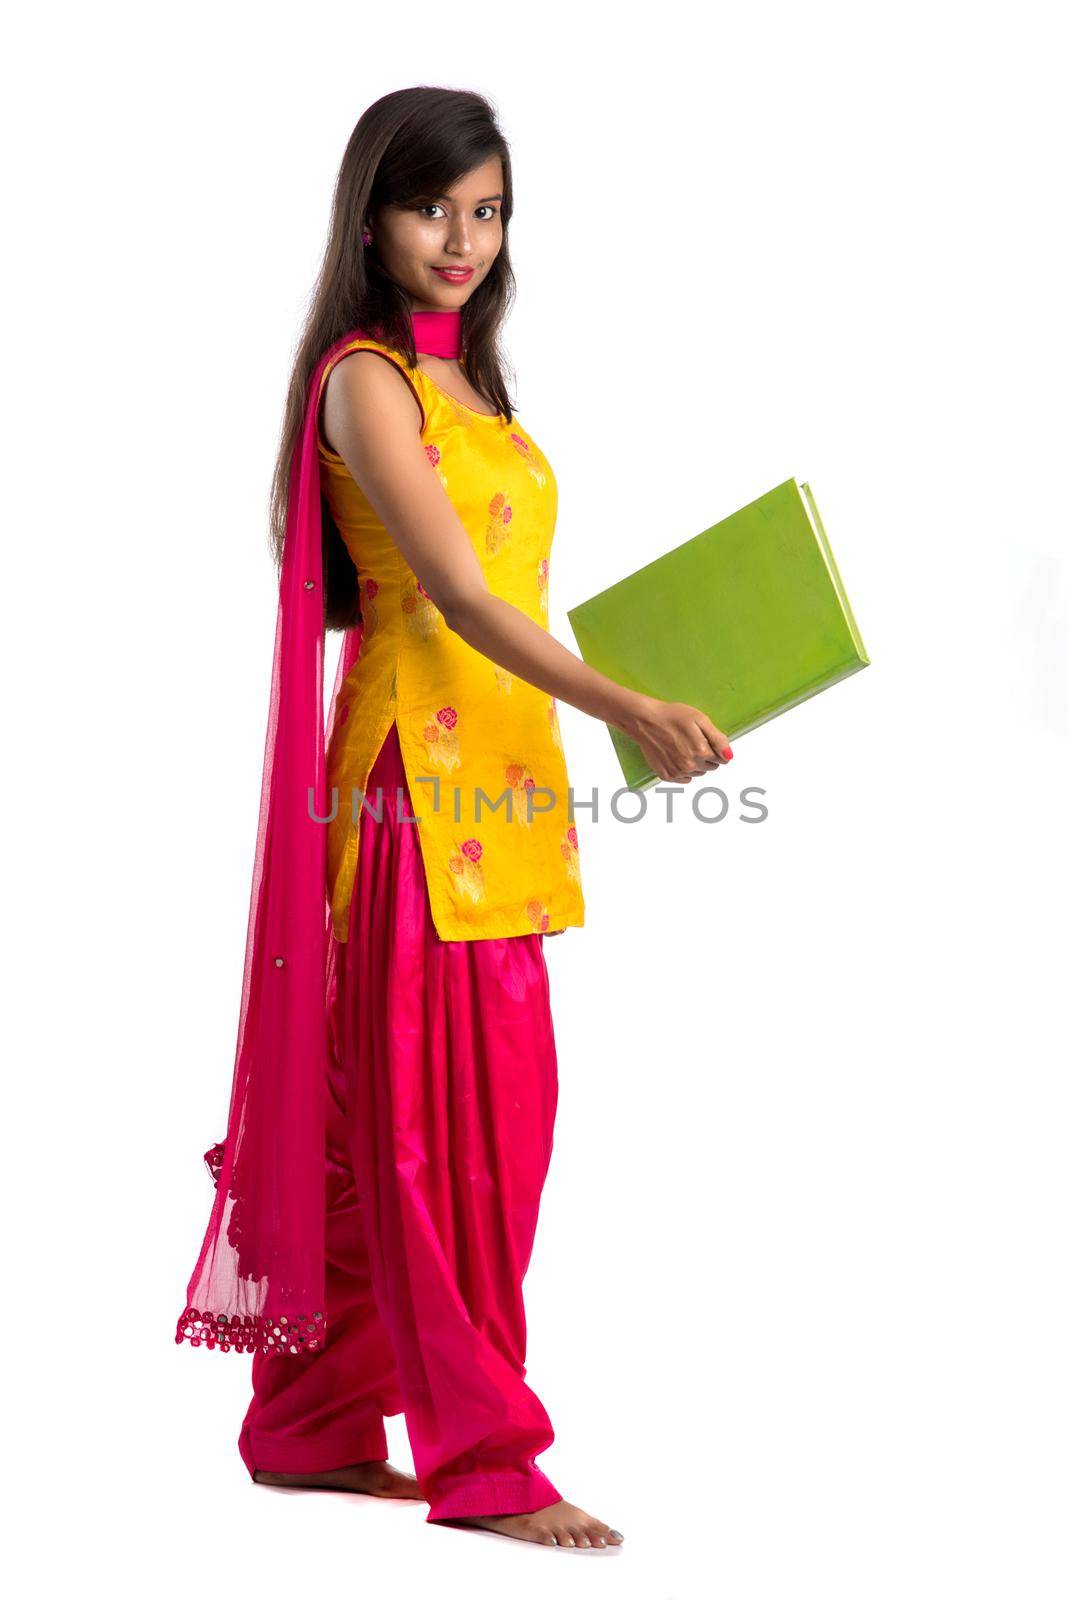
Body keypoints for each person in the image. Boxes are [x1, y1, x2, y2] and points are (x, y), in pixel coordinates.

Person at [176, 86, 731, 1552]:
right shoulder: (367, 382)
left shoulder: (482, 391)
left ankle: (306, 1425)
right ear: (373, 216)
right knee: (431, 1135)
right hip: (410, 785)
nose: (463, 239)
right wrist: (627, 706)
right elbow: (469, 602)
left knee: (496, 1123)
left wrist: (665, 685)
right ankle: (487, 1457)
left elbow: (523, 603)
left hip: (504, 788)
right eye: (436, 208)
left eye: (488, 212)